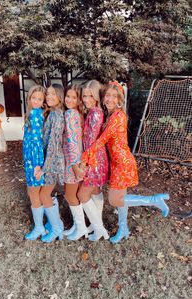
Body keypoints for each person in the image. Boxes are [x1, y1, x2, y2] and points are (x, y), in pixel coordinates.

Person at [82, 81, 170, 244]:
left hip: (123, 163)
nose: (109, 99)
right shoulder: (110, 115)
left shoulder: (118, 116)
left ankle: (153, 201)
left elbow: (102, 139)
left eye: (113, 96)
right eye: (107, 95)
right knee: (120, 198)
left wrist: (86, 155)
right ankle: (123, 229)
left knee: (114, 200)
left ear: (119, 100)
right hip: (116, 162)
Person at [77, 80, 109, 241]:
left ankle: (99, 228)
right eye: (84, 96)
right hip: (97, 158)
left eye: (91, 96)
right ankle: (96, 224)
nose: (87, 99)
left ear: (97, 97)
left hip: (94, 160)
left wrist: (84, 163)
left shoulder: (95, 113)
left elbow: (90, 142)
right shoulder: (93, 112)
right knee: (95, 191)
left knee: (82, 195)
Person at [35, 84, 65, 243]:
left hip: (53, 162)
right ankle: (57, 224)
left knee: (43, 194)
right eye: (48, 94)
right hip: (49, 159)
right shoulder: (51, 113)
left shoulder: (58, 115)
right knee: (45, 193)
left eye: (53, 94)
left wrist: (44, 168)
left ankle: (56, 228)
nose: (49, 97)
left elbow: (54, 144)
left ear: (59, 96)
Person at [62, 84, 87, 240]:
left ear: (78, 100)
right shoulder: (77, 114)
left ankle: (81, 228)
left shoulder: (70, 114)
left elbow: (72, 142)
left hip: (72, 162)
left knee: (70, 195)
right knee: (73, 195)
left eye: (74, 97)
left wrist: (74, 166)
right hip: (76, 160)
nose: (69, 100)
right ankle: (78, 226)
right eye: (68, 96)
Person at [23, 85, 46, 241]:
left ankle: (39, 228)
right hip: (29, 158)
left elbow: (38, 142)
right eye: (34, 98)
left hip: (34, 160)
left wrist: (38, 165)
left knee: (34, 193)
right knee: (35, 192)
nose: (36, 101)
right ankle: (43, 225)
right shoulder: (32, 113)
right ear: (29, 99)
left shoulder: (36, 115)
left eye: (40, 99)